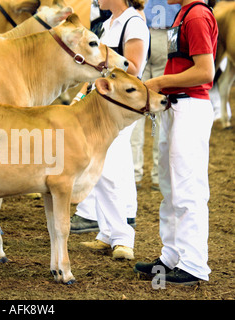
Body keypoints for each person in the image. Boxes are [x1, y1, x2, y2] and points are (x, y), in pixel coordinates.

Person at [134, 0, 217, 285]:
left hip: (190, 106)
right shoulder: (184, 13)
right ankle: (171, 255)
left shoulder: (195, 15)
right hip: (177, 105)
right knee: (171, 187)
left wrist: (159, 82)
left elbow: (206, 71)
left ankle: (194, 264)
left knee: (187, 188)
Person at [70, 0, 150, 260]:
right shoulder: (107, 24)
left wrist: (105, 64)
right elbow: (98, 74)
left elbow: (134, 69)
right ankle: (107, 234)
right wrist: (83, 94)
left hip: (120, 105)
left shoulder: (133, 23)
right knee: (116, 167)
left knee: (107, 169)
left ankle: (122, 237)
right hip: (102, 103)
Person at [130, 0, 180, 191]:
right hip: (167, 35)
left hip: (142, 32)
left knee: (136, 106)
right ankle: (159, 175)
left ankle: (134, 172)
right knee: (160, 108)